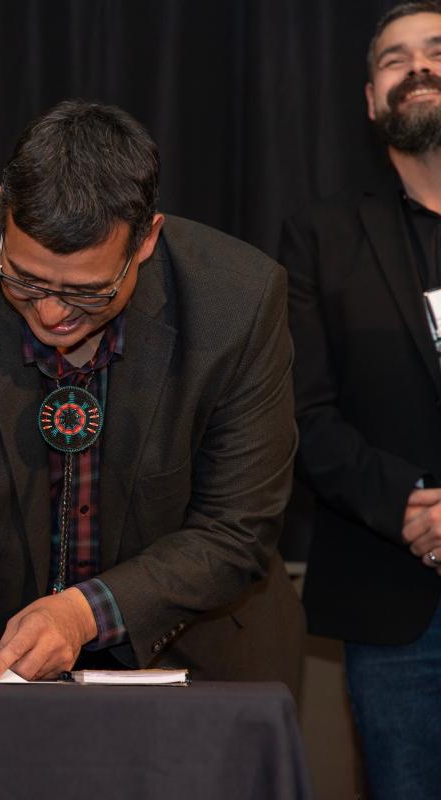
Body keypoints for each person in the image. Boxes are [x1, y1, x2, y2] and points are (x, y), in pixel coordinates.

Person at [0, 100, 304, 691]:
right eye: (24, 281)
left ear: (146, 240)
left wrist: (85, 612)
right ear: (0, 207)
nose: (53, 312)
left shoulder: (238, 301)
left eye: (88, 292)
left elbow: (236, 529)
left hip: (200, 663)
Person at [279, 3, 441, 796]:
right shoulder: (320, 237)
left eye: (439, 50)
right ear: (370, 99)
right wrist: (413, 504)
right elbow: (301, 416)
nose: (418, 67)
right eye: (394, 58)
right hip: (395, 600)